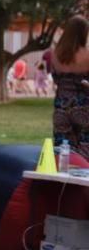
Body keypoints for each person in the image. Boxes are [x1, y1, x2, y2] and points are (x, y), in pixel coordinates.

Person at [50, 15, 89, 160]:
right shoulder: (87, 54)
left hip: (61, 106)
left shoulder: (55, 53)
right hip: (84, 106)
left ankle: (63, 180)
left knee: (62, 150)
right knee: (86, 148)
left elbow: (55, 78)